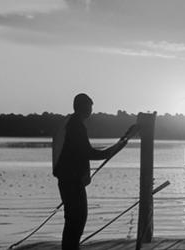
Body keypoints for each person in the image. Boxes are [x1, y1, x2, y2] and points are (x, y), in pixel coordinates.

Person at [53, 93, 133, 249]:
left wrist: (113, 148)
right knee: (77, 219)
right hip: (71, 182)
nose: (91, 110)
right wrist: (112, 150)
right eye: (89, 106)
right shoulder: (76, 126)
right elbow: (88, 153)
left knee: (74, 219)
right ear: (82, 107)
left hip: (69, 180)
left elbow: (84, 152)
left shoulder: (73, 123)